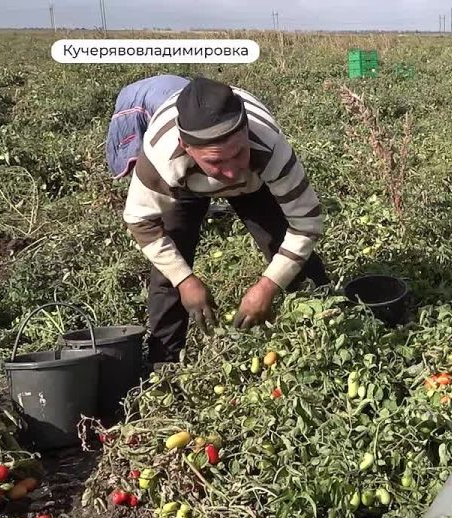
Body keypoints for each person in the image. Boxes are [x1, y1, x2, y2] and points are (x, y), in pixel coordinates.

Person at [121, 76, 331, 365]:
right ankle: (163, 365)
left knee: (284, 246)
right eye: (216, 162)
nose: (230, 173)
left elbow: (306, 222)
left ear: (246, 132)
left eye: (238, 153)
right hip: (186, 185)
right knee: (169, 270)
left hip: (254, 182)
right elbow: (140, 221)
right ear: (185, 146)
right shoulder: (162, 156)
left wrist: (268, 286)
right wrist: (185, 280)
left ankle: (325, 328)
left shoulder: (268, 146)